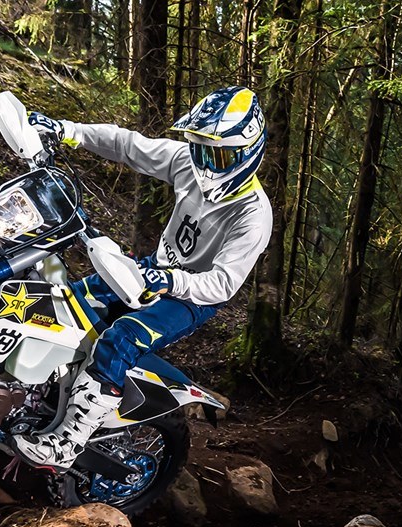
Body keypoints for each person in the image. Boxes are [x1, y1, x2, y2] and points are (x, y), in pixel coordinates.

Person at [14, 86, 273, 468]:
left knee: (121, 338)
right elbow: (129, 145)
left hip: (189, 299)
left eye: (218, 155)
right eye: (201, 149)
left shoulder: (253, 215)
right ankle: (35, 393)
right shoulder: (187, 163)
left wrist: (170, 282)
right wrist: (67, 130)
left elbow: (222, 284)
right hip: (152, 269)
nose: (206, 163)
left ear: (246, 152)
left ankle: (69, 441)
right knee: (65, 303)